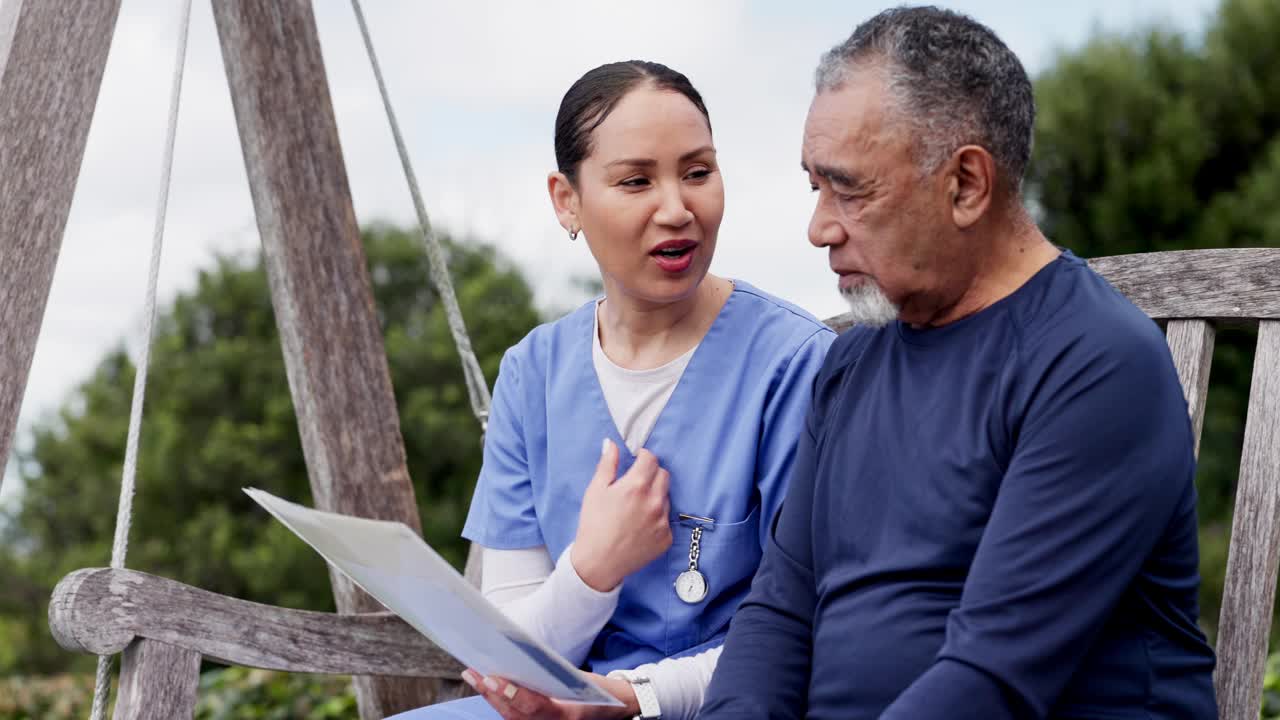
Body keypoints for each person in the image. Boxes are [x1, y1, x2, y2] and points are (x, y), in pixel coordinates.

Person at [699, 7, 1217, 719]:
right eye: (814, 185)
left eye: (849, 188)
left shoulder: (1095, 364)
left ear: (966, 184)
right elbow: (779, 615)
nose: (818, 226)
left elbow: (993, 681)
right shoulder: (852, 366)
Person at [390, 61, 835, 720]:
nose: (677, 209)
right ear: (566, 200)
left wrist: (628, 699)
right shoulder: (532, 374)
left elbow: (807, 636)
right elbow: (510, 647)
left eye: (698, 172)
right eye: (635, 181)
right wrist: (593, 569)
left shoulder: (795, 366)